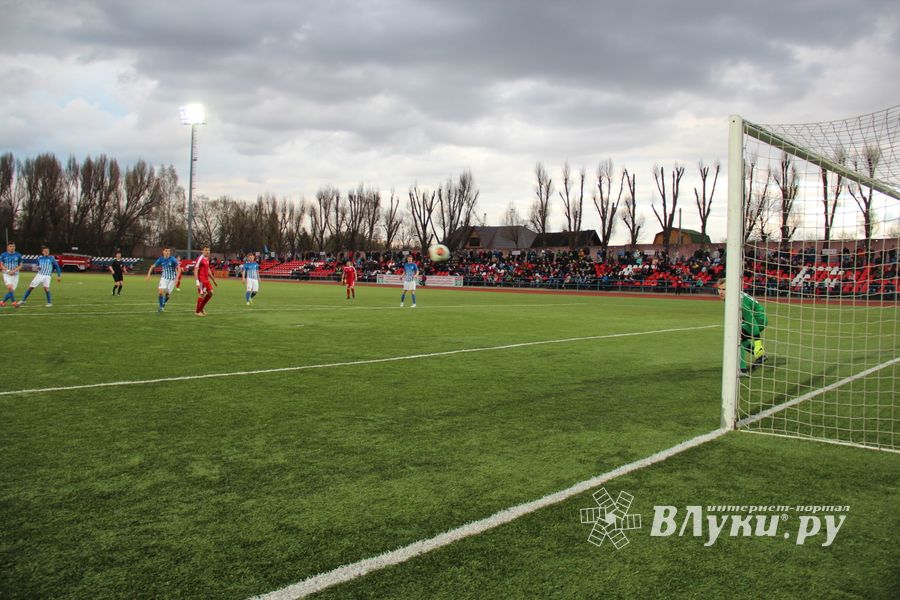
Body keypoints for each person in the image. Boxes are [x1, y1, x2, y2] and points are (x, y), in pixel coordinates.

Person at [717, 278, 768, 376]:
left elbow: (751, 321)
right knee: (740, 337)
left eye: (724, 289)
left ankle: (742, 370)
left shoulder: (738, 300)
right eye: (719, 289)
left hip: (759, 320)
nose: (721, 292)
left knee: (737, 337)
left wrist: (758, 343)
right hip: (754, 319)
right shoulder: (733, 296)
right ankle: (760, 356)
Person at [145, 246, 181, 312]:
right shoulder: (160, 259)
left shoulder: (172, 259)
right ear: (163, 252)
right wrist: (148, 274)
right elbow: (152, 266)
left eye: (168, 251)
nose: (167, 252)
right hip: (164, 278)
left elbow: (179, 269)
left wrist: (177, 278)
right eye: (166, 251)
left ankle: (163, 305)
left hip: (172, 279)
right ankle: (161, 307)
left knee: (167, 294)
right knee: (160, 292)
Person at [194, 246, 218, 317]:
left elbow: (208, 270)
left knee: (211, 293)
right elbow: (195, 270)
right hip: (201, 280)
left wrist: (213, 280)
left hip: (206, 280)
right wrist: (197, 281)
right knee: (202, 295)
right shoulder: (200, 258)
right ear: (202, 251)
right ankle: (197, 311)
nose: (207, 251)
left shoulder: (207, 258)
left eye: (208, 250)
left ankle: (201, 308)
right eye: (206, 250)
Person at [1, 242, 23, 307]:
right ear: (8, 247)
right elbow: (1, 265)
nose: (12, 247)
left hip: (16, 275)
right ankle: (14, 302)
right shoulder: (3, 254)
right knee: (10, 287)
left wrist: (14, 271)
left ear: (15, 247)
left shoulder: (18, 255)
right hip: (6, 274)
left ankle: (2, 302)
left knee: (11, 290)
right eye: (10, 246)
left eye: (13, 246)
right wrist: (8, 271)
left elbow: (21, 265)